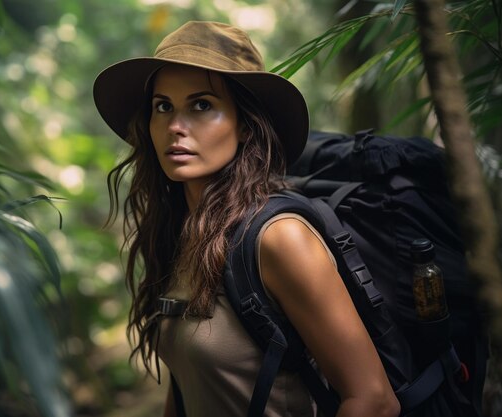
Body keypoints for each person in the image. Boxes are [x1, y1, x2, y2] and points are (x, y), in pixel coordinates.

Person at [93, 21, 400, 417]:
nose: (175, 127)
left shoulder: (279, 238)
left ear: (243, 126)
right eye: (163, 106)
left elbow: (373, 400)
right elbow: (191, 384)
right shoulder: (182, 233)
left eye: (201, 105)